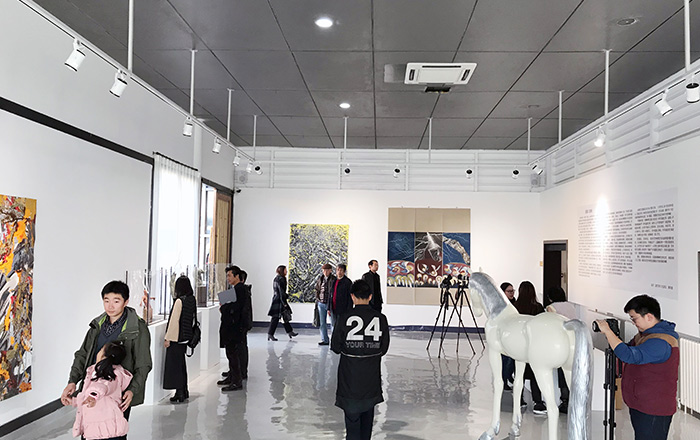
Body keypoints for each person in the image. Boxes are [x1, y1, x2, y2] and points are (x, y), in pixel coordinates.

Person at [61, 281, 152, 431]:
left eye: (116, 301)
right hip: (92, 387)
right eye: (106, 300)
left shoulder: (137, 328)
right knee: (89, 430)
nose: (110, 306)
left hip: (118, 392)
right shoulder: (97, 325)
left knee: (114, 432)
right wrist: (72, 381)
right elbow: (83, 354)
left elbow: (143, 364)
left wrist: (132, 390)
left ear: (126, 302)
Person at [596, 295, 679, 440]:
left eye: (634, 319)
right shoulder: (645, 335)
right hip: (640, 403)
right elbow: (627, 349)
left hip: (654, 408)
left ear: (649, 317)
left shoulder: (661, 342)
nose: (634, 323)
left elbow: (630, 356)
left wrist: (608, 332)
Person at [331, 280, 390, 440]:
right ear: (370, 296)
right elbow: (384, 348)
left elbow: (335, 347)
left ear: (352, 296)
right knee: (367, 420)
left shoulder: (344, 317)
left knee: (352, 423)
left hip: (350, 378)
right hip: (370, 379)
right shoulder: (380, 318)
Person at [72, 342, 131, 440]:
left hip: (107, 429)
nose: (97, 352)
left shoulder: (112, 375)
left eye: (100, 350)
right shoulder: (94, 371)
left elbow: (103, 386)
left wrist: (93, 395)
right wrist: (74, 401)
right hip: (95, 426)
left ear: (104, 357)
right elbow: (86, 394)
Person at [514, 281, 546, 415]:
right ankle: (538, 403)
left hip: (518, 345)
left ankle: (519, 401)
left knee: (519, 374)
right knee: (535, 375)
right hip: (534, 345)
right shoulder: (538, 307)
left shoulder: (515, 307)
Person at [163, 275, 196, 403]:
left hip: (177, 338)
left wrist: (168, 338)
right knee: (181, 365)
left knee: (175, 366)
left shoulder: (179, 301)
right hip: (186, 336)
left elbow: (174, 321)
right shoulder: (191, 299)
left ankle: (180, 392)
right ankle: (184, 390)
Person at [217, 265, 250, 391]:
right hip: (233, 327)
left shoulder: (240, 290)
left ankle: (236, 381)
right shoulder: (237, 289)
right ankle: (232, 377)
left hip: (234, 328)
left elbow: (235, 308)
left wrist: (224, 308)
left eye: (230, 276)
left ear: (237, 276)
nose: (228, 278)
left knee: (233, 354)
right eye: (227, 276)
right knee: (231, 354)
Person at [545, 286, 576, 413]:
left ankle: (565, 400)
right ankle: (572, 400)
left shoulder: (551, 308)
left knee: (562, 372)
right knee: (570, 371)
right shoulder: (571, 306)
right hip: (572, 340)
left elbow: (551, 326)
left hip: (560, 341)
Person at [267, 265, 298, 341]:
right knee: (276, 318)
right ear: (282, 271)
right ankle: (270, 334)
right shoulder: (281, 279)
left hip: (276, 299)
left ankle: (289, 331)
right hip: (279, 300)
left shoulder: (276, 278)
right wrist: (284, 302)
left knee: (283, 316)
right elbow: (281, 291)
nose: (286, 271)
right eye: (285, 270)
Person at [500, 282, 516, 391]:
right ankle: (504, 381)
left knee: (512, 360)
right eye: (509, 291)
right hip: (504, 335)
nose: (511, 293)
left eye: (512, 291)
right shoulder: (501, 305)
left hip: (514, 335)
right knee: (506, 360)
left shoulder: (515, 303)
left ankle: (509, 376)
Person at [315, 263, 336, 346]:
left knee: (332, 323)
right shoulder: (320, 279)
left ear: (330, 270)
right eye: (324, 270)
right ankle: (325, 340)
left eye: (327, 270)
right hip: (321, 303)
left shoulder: (334, 279)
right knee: (322, 323)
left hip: (330, 304)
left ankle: (334, 340)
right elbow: (317, 289)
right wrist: (318, 299)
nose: (325, 272)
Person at [329, 263, 353, 327]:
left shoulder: (348, 282)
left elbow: (350, 297)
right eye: (338, 270)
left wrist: (349, 309)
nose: (339, 272)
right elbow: (330, 294)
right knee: (334, 326)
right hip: (333, 308)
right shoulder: (333, 281)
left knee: (342, 326)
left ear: (344, 272)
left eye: (341, 270)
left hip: (343, 309)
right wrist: (329, 308)